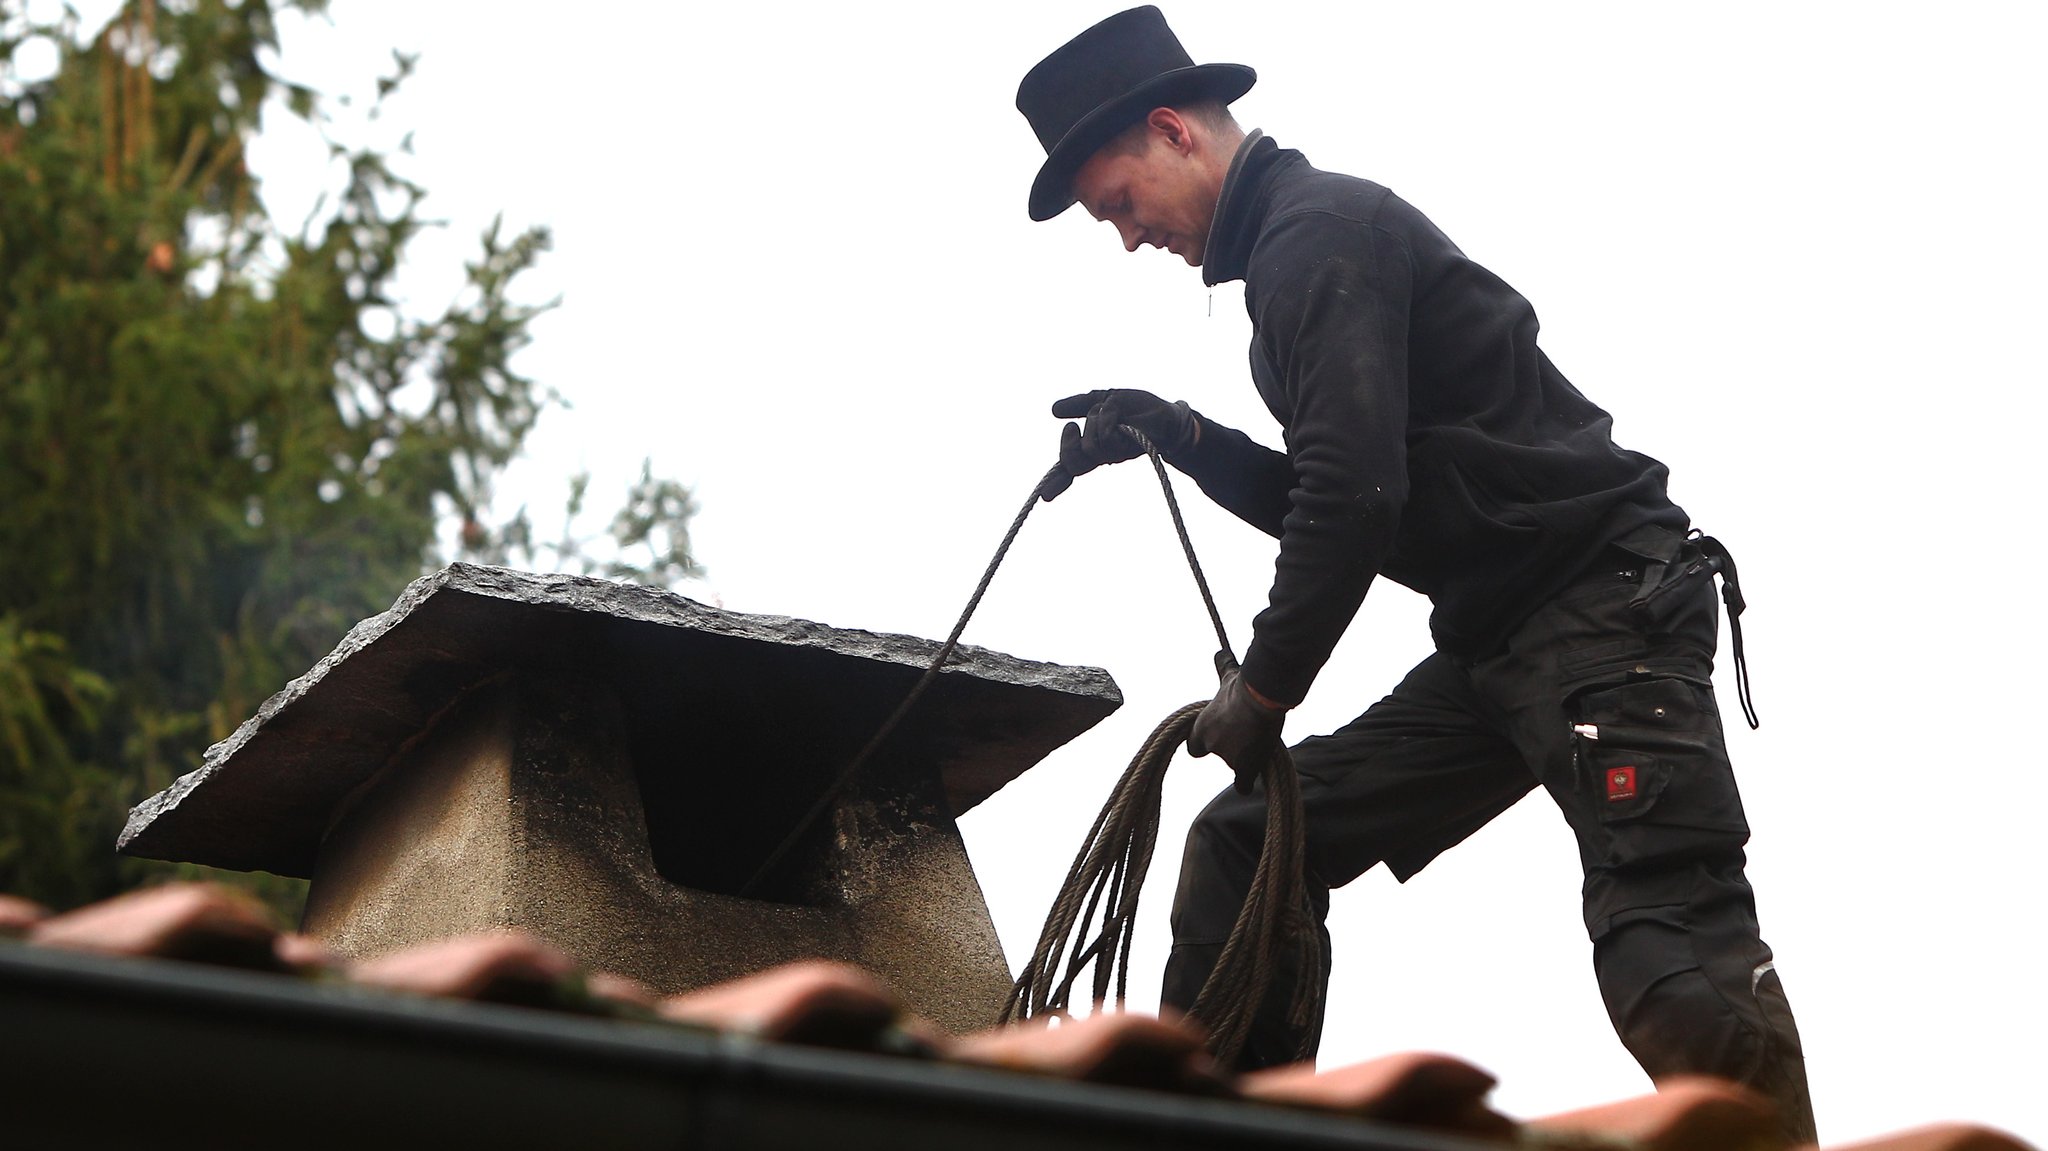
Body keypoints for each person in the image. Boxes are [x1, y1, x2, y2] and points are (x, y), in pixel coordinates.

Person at [1015, 7, 1816, 1142]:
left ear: (1171, 134)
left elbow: (1353, 500)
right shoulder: (1288, 274)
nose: (1127, 240)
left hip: (1603, 614)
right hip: (1493, 648)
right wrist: (1179, 434)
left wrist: (1264, 688)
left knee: (1669, 954)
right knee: (1248, 843)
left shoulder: (1317, 236)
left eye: (1117, 206)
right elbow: (1344, 487)